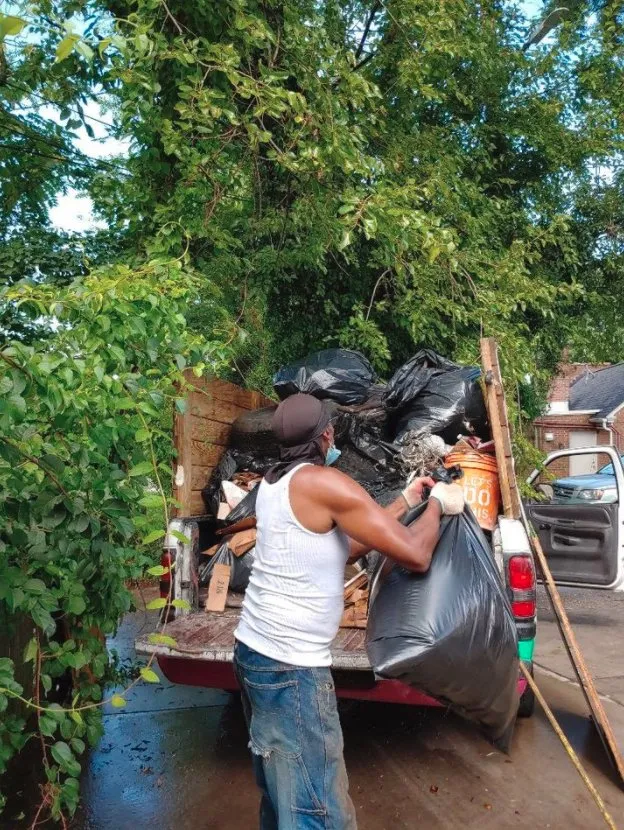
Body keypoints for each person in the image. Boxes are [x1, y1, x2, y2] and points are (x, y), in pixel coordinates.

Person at [233, 393, 465, 829]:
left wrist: (408, 500)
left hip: (254, 654)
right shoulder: (325, 483)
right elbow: (416, 554)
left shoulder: (273, 483)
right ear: (325, 434)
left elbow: (341, 546)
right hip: (291, 670)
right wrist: (440, 504)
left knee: (282, 797)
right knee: (316, 810)